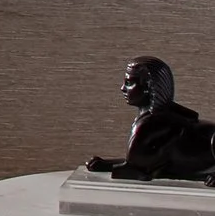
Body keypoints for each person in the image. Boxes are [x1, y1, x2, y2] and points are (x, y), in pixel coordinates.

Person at [86, 56, 215, 181]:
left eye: (129, 83)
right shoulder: (154, 120)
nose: (123, 88)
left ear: (148, 88)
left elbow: (137, 170)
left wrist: (109, 167)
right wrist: (106, 165)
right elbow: (140, 162)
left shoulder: (154, 124)